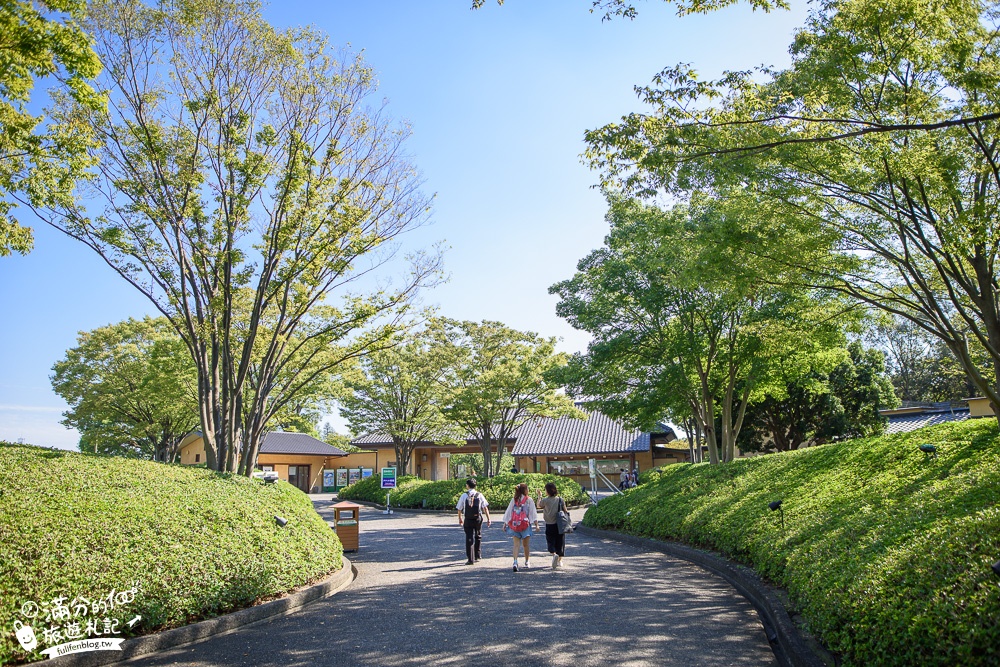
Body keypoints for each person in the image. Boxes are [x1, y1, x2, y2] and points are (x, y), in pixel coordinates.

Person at [502, 482, 538, 572]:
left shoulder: (514, 500)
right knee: (526, 545)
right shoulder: (529, 500)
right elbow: (533, 513)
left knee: (516, 545)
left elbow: (509, 512)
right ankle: (527, 561)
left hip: (515, 524)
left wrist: (505, 523)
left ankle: (515, 561)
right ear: (525, 490)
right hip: (525, 525)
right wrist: (536, 525)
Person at [457, 478, 491, 565]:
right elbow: (485, 507)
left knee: (469, 537)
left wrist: (460, 518)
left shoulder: (464, 495)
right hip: (478, 518)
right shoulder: (479, 495)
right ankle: (477, 554)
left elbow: (459, 508)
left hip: (468, 518)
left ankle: (470, 559)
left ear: (467, 486)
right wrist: (488, 518)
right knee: (478, 535)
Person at [536, 482, 567, 569]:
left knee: (550, 541)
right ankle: (560, 560)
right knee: (560, 542)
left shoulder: (545, 500)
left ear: (548, 491)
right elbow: (565, 511)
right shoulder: (560, 500)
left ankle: (554, 554)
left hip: (549, 524)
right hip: (559, 525)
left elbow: (538, 505)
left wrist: (539, 496)